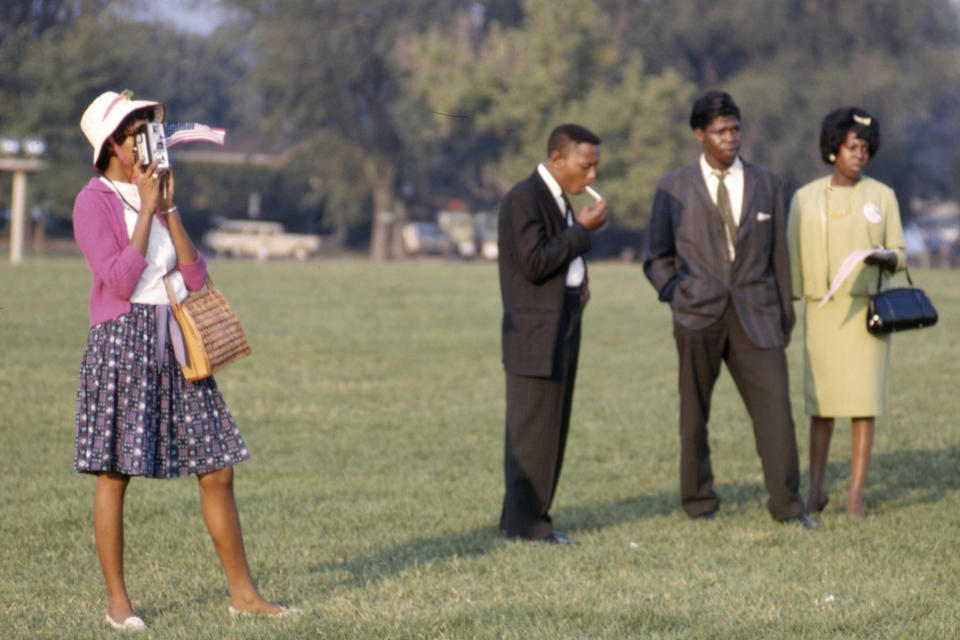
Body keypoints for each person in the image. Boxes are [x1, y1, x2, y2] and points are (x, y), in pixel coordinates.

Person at [72, 90, 293, 631]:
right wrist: (146, 208)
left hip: (176, 335)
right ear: (113, 146)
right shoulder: (93, 201)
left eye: (149, 127)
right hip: (122, 340)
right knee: (115, 473)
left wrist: (168, 210)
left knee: (218, 467)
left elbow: (195, 277)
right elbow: (121, 281)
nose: (146, 139)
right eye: (135, 132)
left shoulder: (158, 194)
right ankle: (118, 603)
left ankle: (244, 595)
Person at [643, 91, 814, 527]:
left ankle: (788, 508)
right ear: (700, 134)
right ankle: (699, 503)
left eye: (735, 128)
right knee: (694, 415)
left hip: (758, 318)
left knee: (776, 411)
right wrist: (678, 295)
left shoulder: (768, 184)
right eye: (720, 131)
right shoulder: (672, 187)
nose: (730, 138)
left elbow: (779, 257)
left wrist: (784, 318)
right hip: (696, 316)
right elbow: (656, 258)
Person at [787, 107, 905, 518]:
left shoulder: (883, 196)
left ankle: (856, 495)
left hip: (867, 315)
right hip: (823, 313)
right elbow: (792, 258)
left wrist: (886, 258)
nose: (860, 155)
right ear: (833, 149)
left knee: (863, 402)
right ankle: (816, 490)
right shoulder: (804, 198)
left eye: (866, 149)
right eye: (852, 147)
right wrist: (790, 306)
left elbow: (901, 254)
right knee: (821, 405)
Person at [497, 123, 609, 544]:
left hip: (560, 325)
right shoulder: (524, 199)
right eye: (587, 166)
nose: (592, 177)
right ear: (557, 159)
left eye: (596, 167)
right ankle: (529, 527)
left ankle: (524, 519)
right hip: (533, 333)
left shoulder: (557, 198)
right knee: (532, 433)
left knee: (552, 426)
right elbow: (534, 262)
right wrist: (582, 231)